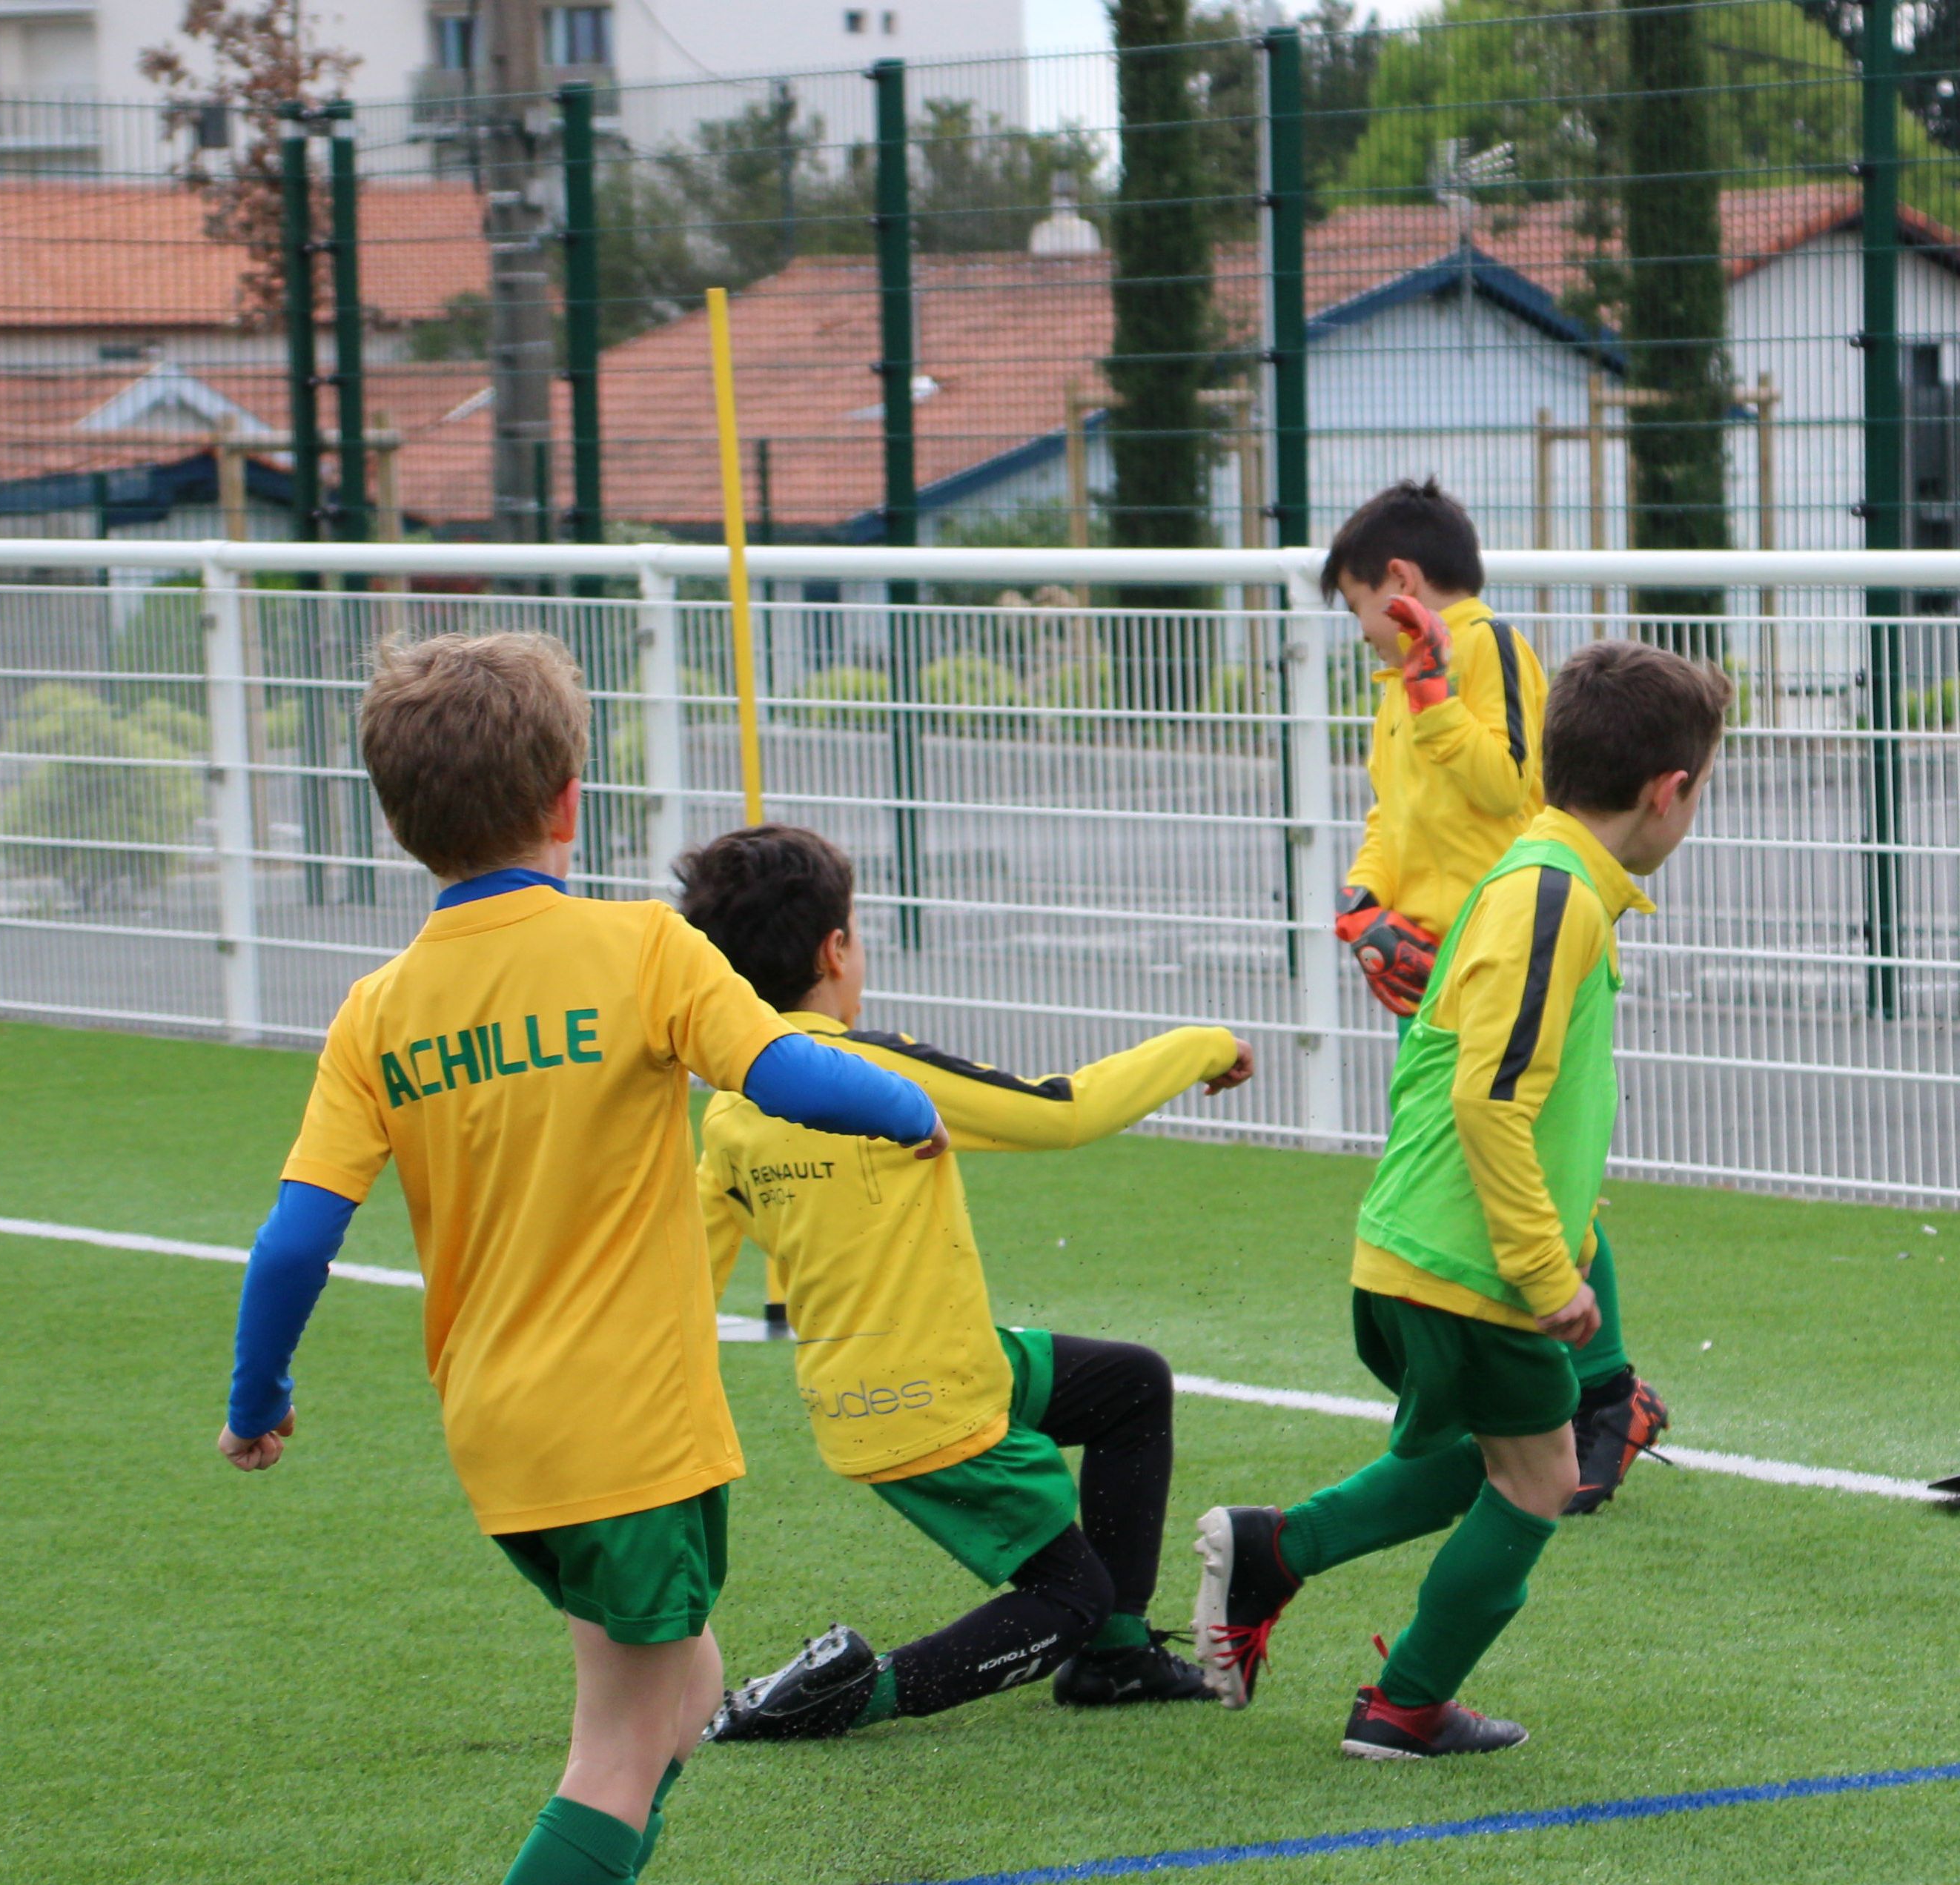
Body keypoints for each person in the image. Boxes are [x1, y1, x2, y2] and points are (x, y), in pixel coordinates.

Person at [214, 635, 942, 1885]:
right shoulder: (639, 951)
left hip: (505, 1433)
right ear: (567, 792)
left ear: (398, 821)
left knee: (661, 1695)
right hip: (628, 1427)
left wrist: (257, 1393)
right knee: (646, 1725)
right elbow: (786, 1073)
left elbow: (294, 1235)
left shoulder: (381, 1005)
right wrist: (908, 1101)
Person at [1191, 640, 1726, 1758]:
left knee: (1459, 1467)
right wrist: (1546, 1271)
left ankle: (1268, 1552)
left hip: (1415, 1252)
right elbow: (1489, 1098)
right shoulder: (1554, 895)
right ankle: (1406, 1705)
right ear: (1668, 792)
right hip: (1472, 1266)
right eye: (1703, 789)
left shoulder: (1537, 872)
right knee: (1542, 1479)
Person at [669, 824, 1259, 1739]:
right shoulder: (873, 1066)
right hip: (930, 1400)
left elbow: (689, 1279)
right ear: (835, 948)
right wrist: (1205, 1043)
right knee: (1067, 1592)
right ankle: (850, 1695)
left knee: (1131, 1384)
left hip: (891, 1386)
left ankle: (1116, 1655)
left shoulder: (732, 1113)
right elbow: (1063, 1112)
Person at [1322, 477, 1671, 1512]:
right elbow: (1393, 810)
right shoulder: (1399, 681)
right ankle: (1583, 1399)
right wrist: (1362, 900)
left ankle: (1601, 1397)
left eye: (1355, 612)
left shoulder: (1486, 647)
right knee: (1462, 1187)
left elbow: (1511, 789)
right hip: (1430, 967)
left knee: (1518, 1177)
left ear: (1399, 583)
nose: (1363, 640)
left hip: (1509, 947)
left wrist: (1432, 692)